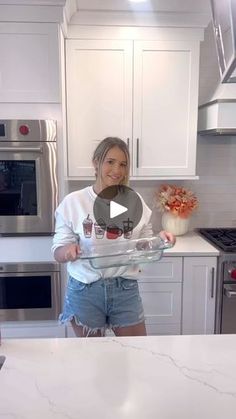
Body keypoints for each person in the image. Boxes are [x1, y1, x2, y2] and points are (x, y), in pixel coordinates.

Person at [52, 137, 175, 337]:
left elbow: (143, 244)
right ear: (96, 163)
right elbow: (57, 251)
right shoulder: (74, 202)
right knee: (92, 359)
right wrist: (68, 251)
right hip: (85, 290)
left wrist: (160, 239)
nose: (117, 170)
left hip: (125, 288)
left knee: (136, 353)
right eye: (110, 162)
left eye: (123, 164)